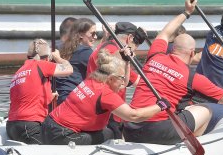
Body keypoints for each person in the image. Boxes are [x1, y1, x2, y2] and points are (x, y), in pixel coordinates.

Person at [123, 0, 223, 145]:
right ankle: (191, 141)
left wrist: (186, 12)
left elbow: (165, 32)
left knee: (187, 105)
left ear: (173, 48)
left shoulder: (154, 56)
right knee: (205, 110)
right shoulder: (193, 78)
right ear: (192, 53)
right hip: (158, 132)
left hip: (129, 129)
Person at [41, 48, 169, 145]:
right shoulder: (105, 94)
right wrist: (160, 106)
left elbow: (123, 84)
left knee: (107, 130)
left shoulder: (92, 79)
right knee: (110, 134)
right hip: (63, 135)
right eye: (121, 78)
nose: (124, 81)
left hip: (48, 126)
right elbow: (133, 116)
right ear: (111, 79)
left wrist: (126, 63)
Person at [86, 22, 148, 138]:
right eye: (135, 45)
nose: (133, 52)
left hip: (93, 105)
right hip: (109, 111)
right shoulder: (116, 53)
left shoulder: (102, 46)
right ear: (129, 38)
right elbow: (138, 82)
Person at [6, 39, 73, 144]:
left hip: (11, 126)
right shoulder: (41, 65)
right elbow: (69, 70)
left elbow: (29, 97)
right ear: (47, 58)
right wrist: (58, 58)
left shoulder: (19, 71)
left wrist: (50, 96)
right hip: (30, 125)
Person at [56, 18, 97, 104]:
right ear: (81, 34)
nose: (95, 37)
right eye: (92, 34)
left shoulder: (58, 47)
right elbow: (104, 70)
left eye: (96, 34)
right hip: (74, 98)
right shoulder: (86, 52)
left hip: (57, 96)